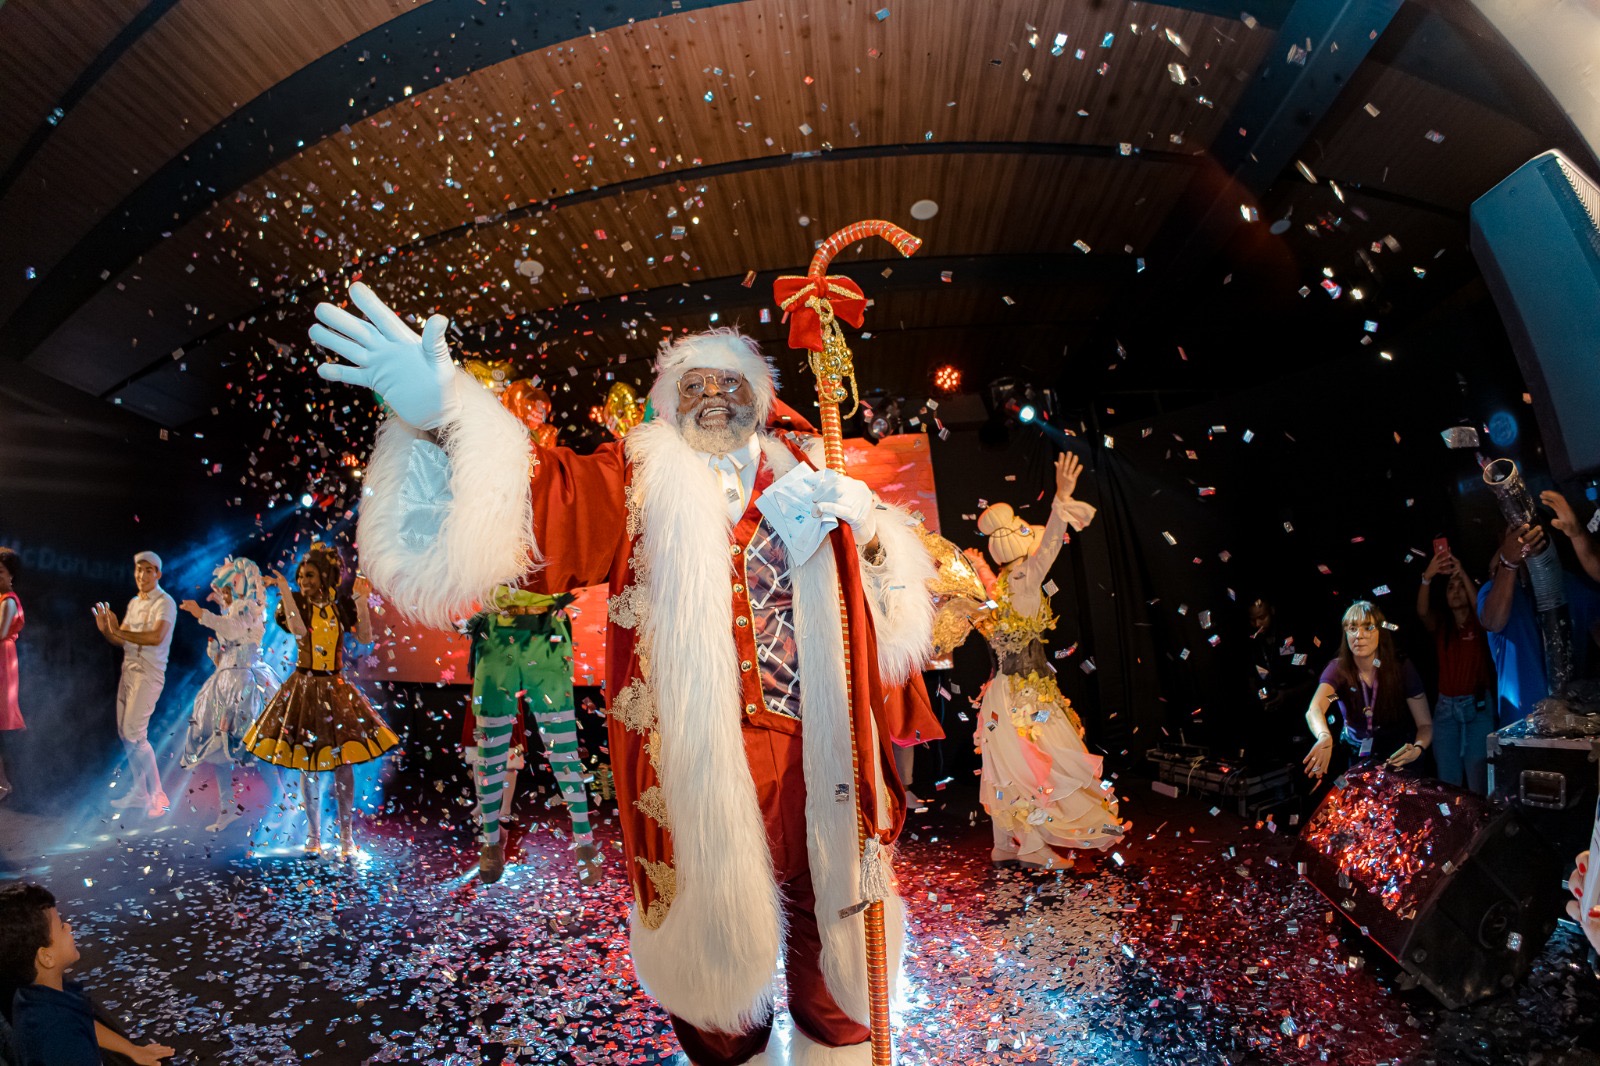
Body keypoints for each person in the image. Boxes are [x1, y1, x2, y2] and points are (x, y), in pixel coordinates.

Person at [311, 282, 937, 1066]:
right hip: (699, 762)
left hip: (822, 755)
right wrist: (447, 415)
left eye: (729, 383)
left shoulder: (821, 475)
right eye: (693, 386)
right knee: (716, 962)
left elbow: (896, 624)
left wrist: (872, 529)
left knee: (838, 942)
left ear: (765, 401)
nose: (713, 397)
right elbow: (546, 503)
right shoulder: (638, 481)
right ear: (667, 408)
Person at [969, 453, 1123, 871]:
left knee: (1007, 765)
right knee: (1037, 764)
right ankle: (1032, 846)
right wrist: (1061, 499)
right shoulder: (1025, 576)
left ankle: (1005, 842)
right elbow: (1053, 541)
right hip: (1025, 695)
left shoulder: (999, 585)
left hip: (1004, 690)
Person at [240, 544, 397, 860]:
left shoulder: (340, 607)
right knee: (309, 764)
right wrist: (285, 589)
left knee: (343, 764)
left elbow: (365, 637)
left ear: (324, 575)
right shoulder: (296, 603)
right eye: (300, 575)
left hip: (335, 688)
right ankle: (314, 836)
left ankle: (347, 837)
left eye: (309, 575)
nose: (304, 580)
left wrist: (362, 600)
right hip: (305, 687)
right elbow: (299, 630)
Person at [463, 588, 598, 885]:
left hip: (547, 631)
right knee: (492, 749)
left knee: (563, 746)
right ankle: (490, 842)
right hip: (497, 632)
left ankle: (584, 842)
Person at [0, 882, 175, 1065]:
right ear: (46, 957)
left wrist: (132, 1050)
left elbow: (82, 1020)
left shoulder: (37, 993)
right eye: (61, 927)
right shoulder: (58, 1038)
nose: (68, 927)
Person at [178, 557, 282, 832]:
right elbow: (230, 641)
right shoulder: (235, 608)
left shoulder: (247, 607)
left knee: (254, 747)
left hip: (243, 682)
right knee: (217, 748)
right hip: (226, 681)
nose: (223, 593)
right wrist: (216, 655)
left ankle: (283, 804)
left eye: (227, 587)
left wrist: (201, 613)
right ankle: (227, 809)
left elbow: (235, 630)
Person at [1478, 493, 1600, 726]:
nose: (1526, 540)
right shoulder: (1493, 591)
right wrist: (1508, 562)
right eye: (1517, 534)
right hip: (1520, 730)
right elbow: (1492, 621)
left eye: (1533, 531)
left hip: (1571, 725)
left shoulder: (1573, 586)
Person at [1303, 601, 1433, 781]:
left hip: (1397, 754)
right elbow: (1315, 709)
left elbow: (1425, 725)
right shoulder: (1339, 669)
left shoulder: (1400, 666)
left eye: (1368, 628)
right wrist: (1324, 736)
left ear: (1380, 631)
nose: (1359, 636)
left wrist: (1418, 748)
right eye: (1352, 628)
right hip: (1356, 753)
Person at [91, 552, 175, 818]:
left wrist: (117, 631)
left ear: (158, 573)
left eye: (148, 570)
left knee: (134, 733)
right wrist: (107, 630)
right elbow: (123, 640)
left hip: (149, 674)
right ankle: (140, 793)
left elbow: (156, 636)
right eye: (138, 570)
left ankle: (158, 794)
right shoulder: (134, 602)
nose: (142, 575)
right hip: (129, 671)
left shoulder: (166, 603)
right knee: (124, 733)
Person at [1417, 547, 1494, 792]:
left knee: (1477, 774)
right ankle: (1453, 826)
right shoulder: (1442, 626)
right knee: (1447, 779)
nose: (1456, 590)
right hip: (1446, 710)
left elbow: (1482, 610)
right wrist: (1427, 577)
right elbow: (1422, 612)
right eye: (1451, 587)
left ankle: (1480, 828)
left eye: (1460, 586)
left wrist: (1461, 572)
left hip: (1477, 706)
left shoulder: (1481, 621)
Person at [0, 548, 23, 803]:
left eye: (0, 572)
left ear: (10, 575)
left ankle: (3, 782)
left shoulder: (8, 600)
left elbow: (1, 631)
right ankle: (2, 781)